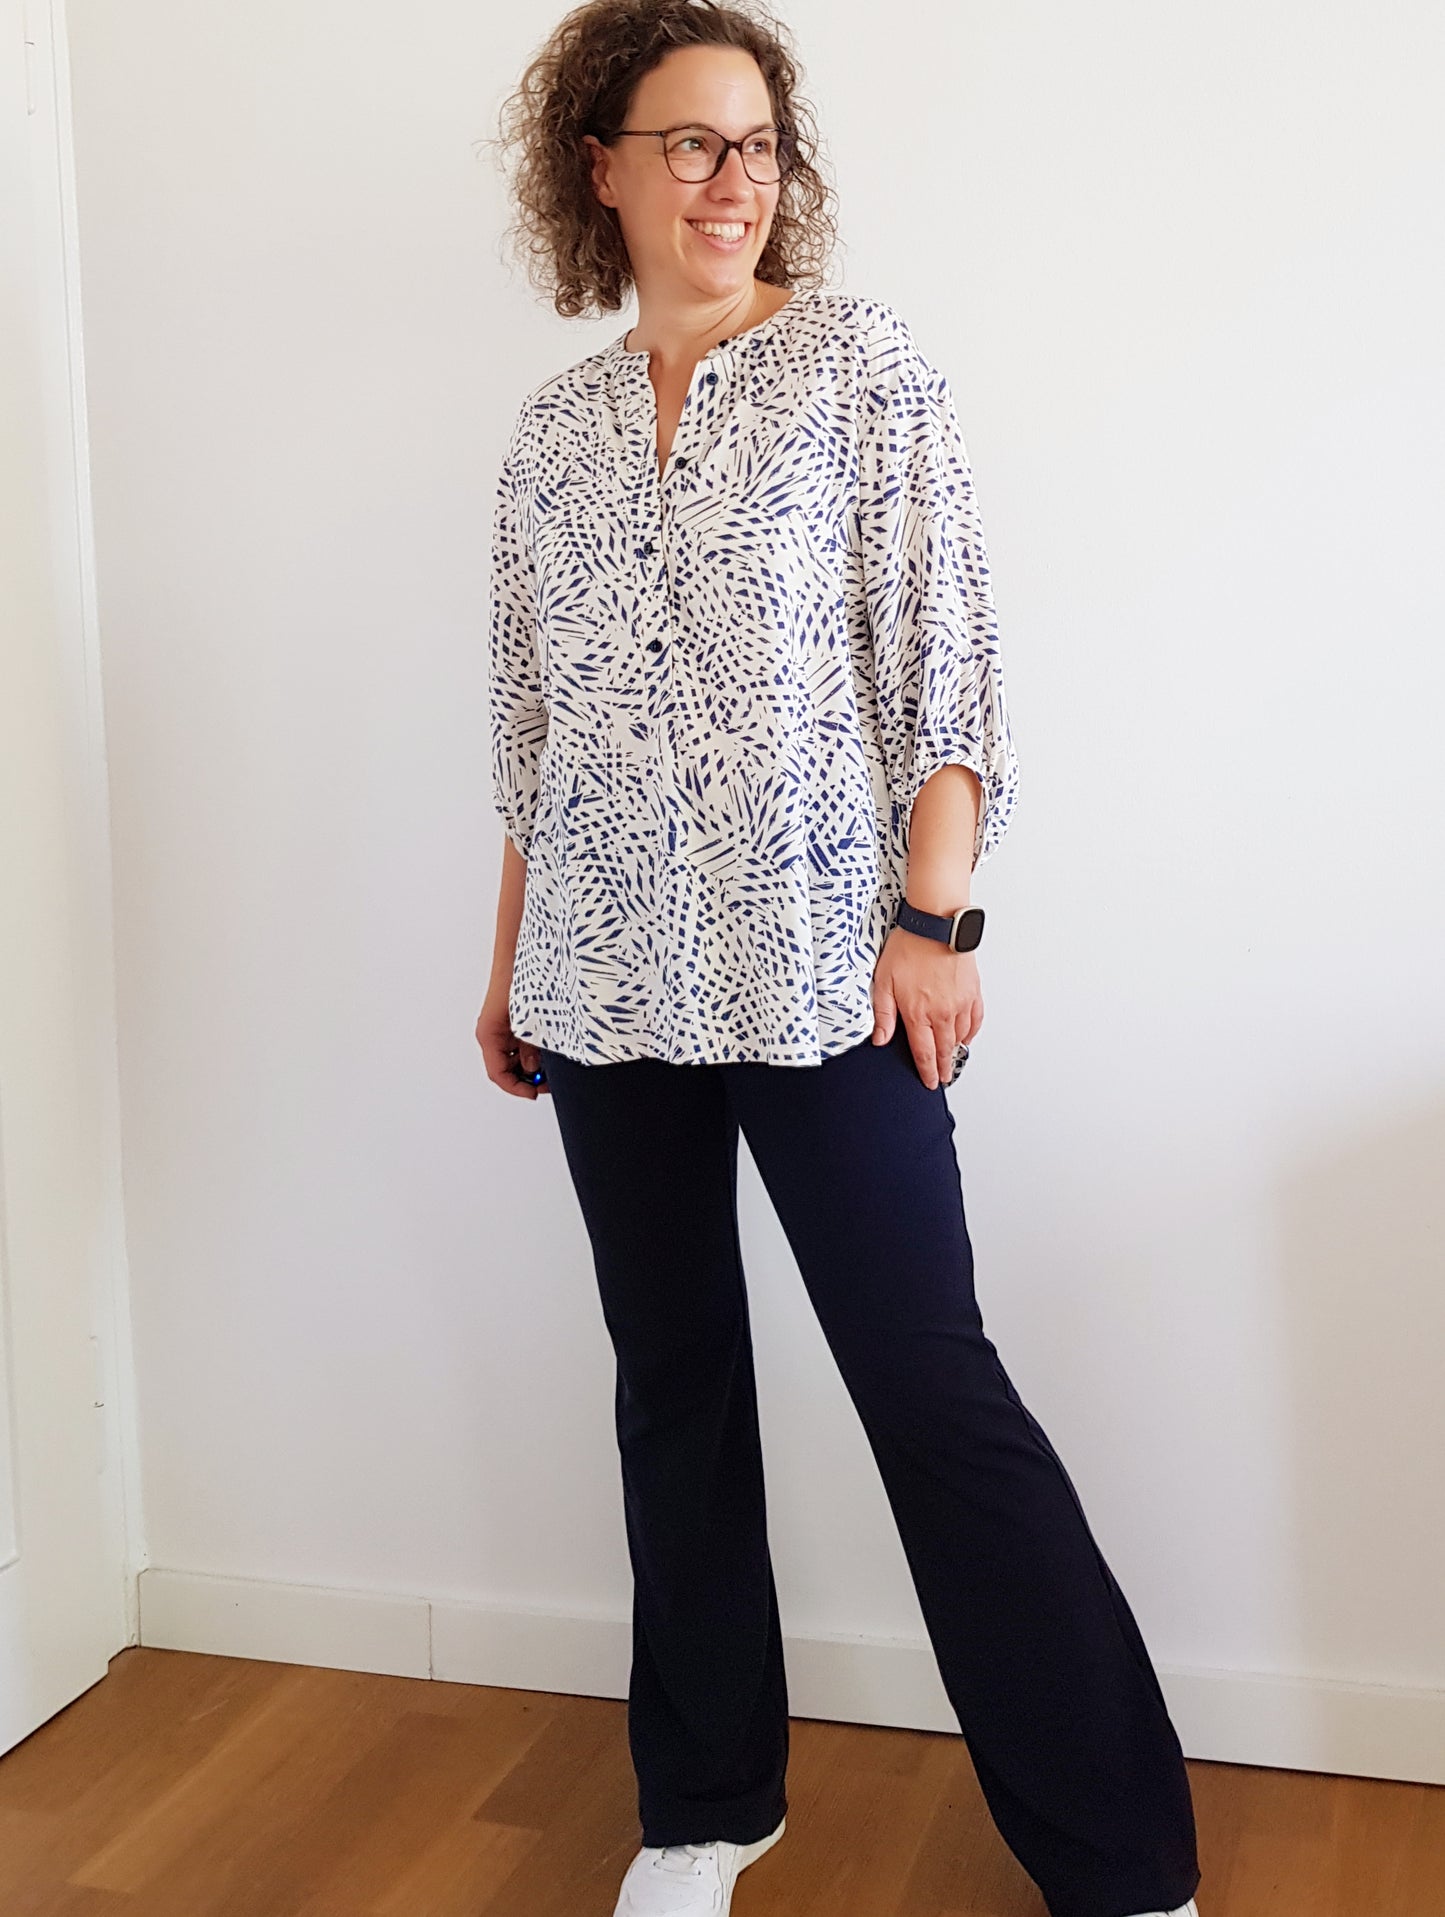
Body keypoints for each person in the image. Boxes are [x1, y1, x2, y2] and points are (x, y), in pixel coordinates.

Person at [476, 6, 1203, 1916]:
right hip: (601, 981)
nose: (733, 181)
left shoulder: (860, 372)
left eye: (759, 144)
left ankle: (1123, 1858)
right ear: (600, 169)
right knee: (672, 1385)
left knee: (928, 1387)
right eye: (690, 143)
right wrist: (510, 960)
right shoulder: (549, 436)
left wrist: (935, 922)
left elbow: (943, 665)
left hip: (827, 975)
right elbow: (534, 734)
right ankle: (707, 1805)